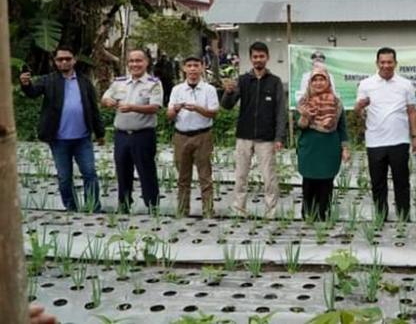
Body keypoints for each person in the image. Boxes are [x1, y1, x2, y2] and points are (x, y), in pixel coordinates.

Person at [20, 45, 105, 212]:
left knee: (89, 173)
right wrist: (26, 84)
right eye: (60, 59)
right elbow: (33, 92)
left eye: (68, 58)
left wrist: (100, 132)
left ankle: (93, 208)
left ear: (74, 60)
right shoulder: (48, 80)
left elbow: (93, 109)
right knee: (64, 177)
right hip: (58, 139)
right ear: (55, 62)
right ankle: (71, 208)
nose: (64, 62)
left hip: (83, 138)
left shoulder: (84, 81)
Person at [221, 41, 287, 217]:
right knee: (241, 175)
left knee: (269, 177)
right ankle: (239, 210)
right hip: (244, 136)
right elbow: (227, 106)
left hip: (266, 138)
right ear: (250, 59)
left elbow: (281, 111)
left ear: (267, 58)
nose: (258, 60)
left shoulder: (275, 82)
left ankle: (271, 212)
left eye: (261, 56)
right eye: (255, 57)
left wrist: (279, 137)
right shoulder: (243, 80)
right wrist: (227, 92)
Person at [355, 47, 416, 222]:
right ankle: (381, 216)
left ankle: (404, 217)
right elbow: (359, 113)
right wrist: (360, 107)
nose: (386, 65)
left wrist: (415, 137)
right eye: (382, 62)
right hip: (375, 141)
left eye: (389, 62)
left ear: (395, 63)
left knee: (402, 182)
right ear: (377, 63)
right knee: (378, 183)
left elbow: (412, 111)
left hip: (399, 141)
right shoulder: (366, 84)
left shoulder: (405, 84)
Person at [102, 49, 163, 212]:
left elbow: (154, 107)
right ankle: (124, 205)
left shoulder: (153, 83)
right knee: (122, 171)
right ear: (127, 63)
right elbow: (105, 98)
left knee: (147, 172)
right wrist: (108, 101)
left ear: (146, 63)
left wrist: (132, 107)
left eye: (138, 61)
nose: (135, 64)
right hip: (121, 135)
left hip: (143, 135)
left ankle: (152, 206)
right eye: (131, 61)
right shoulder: (119, 82)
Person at [167, 56, 219, 218]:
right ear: (184, 68)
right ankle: (183, 210)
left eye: (196, 65)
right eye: (189, 66)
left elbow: (213, 113)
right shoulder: (177, 90)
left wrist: (197, 109)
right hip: (181, 136)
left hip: (202, 135)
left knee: (205, 176)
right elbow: (169, 115)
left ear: (202, 67)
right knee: (183, 177)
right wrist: (175, 109)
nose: (192, 69)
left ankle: (208, 211)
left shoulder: (209, 89)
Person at [296, 67, 351, 220]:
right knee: (308, 183)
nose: (319, 83)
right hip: (309, 149)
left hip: (329, 149)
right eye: (315, 80)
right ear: (310, 83)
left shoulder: (337, 103)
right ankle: (308, 215)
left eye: (322, 79)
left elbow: (342, 128)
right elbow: (299, 126)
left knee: (326, 183)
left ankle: (323, 215)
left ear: (328, 82)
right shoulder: (303, 103)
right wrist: (305, 117)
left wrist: (345, 148)